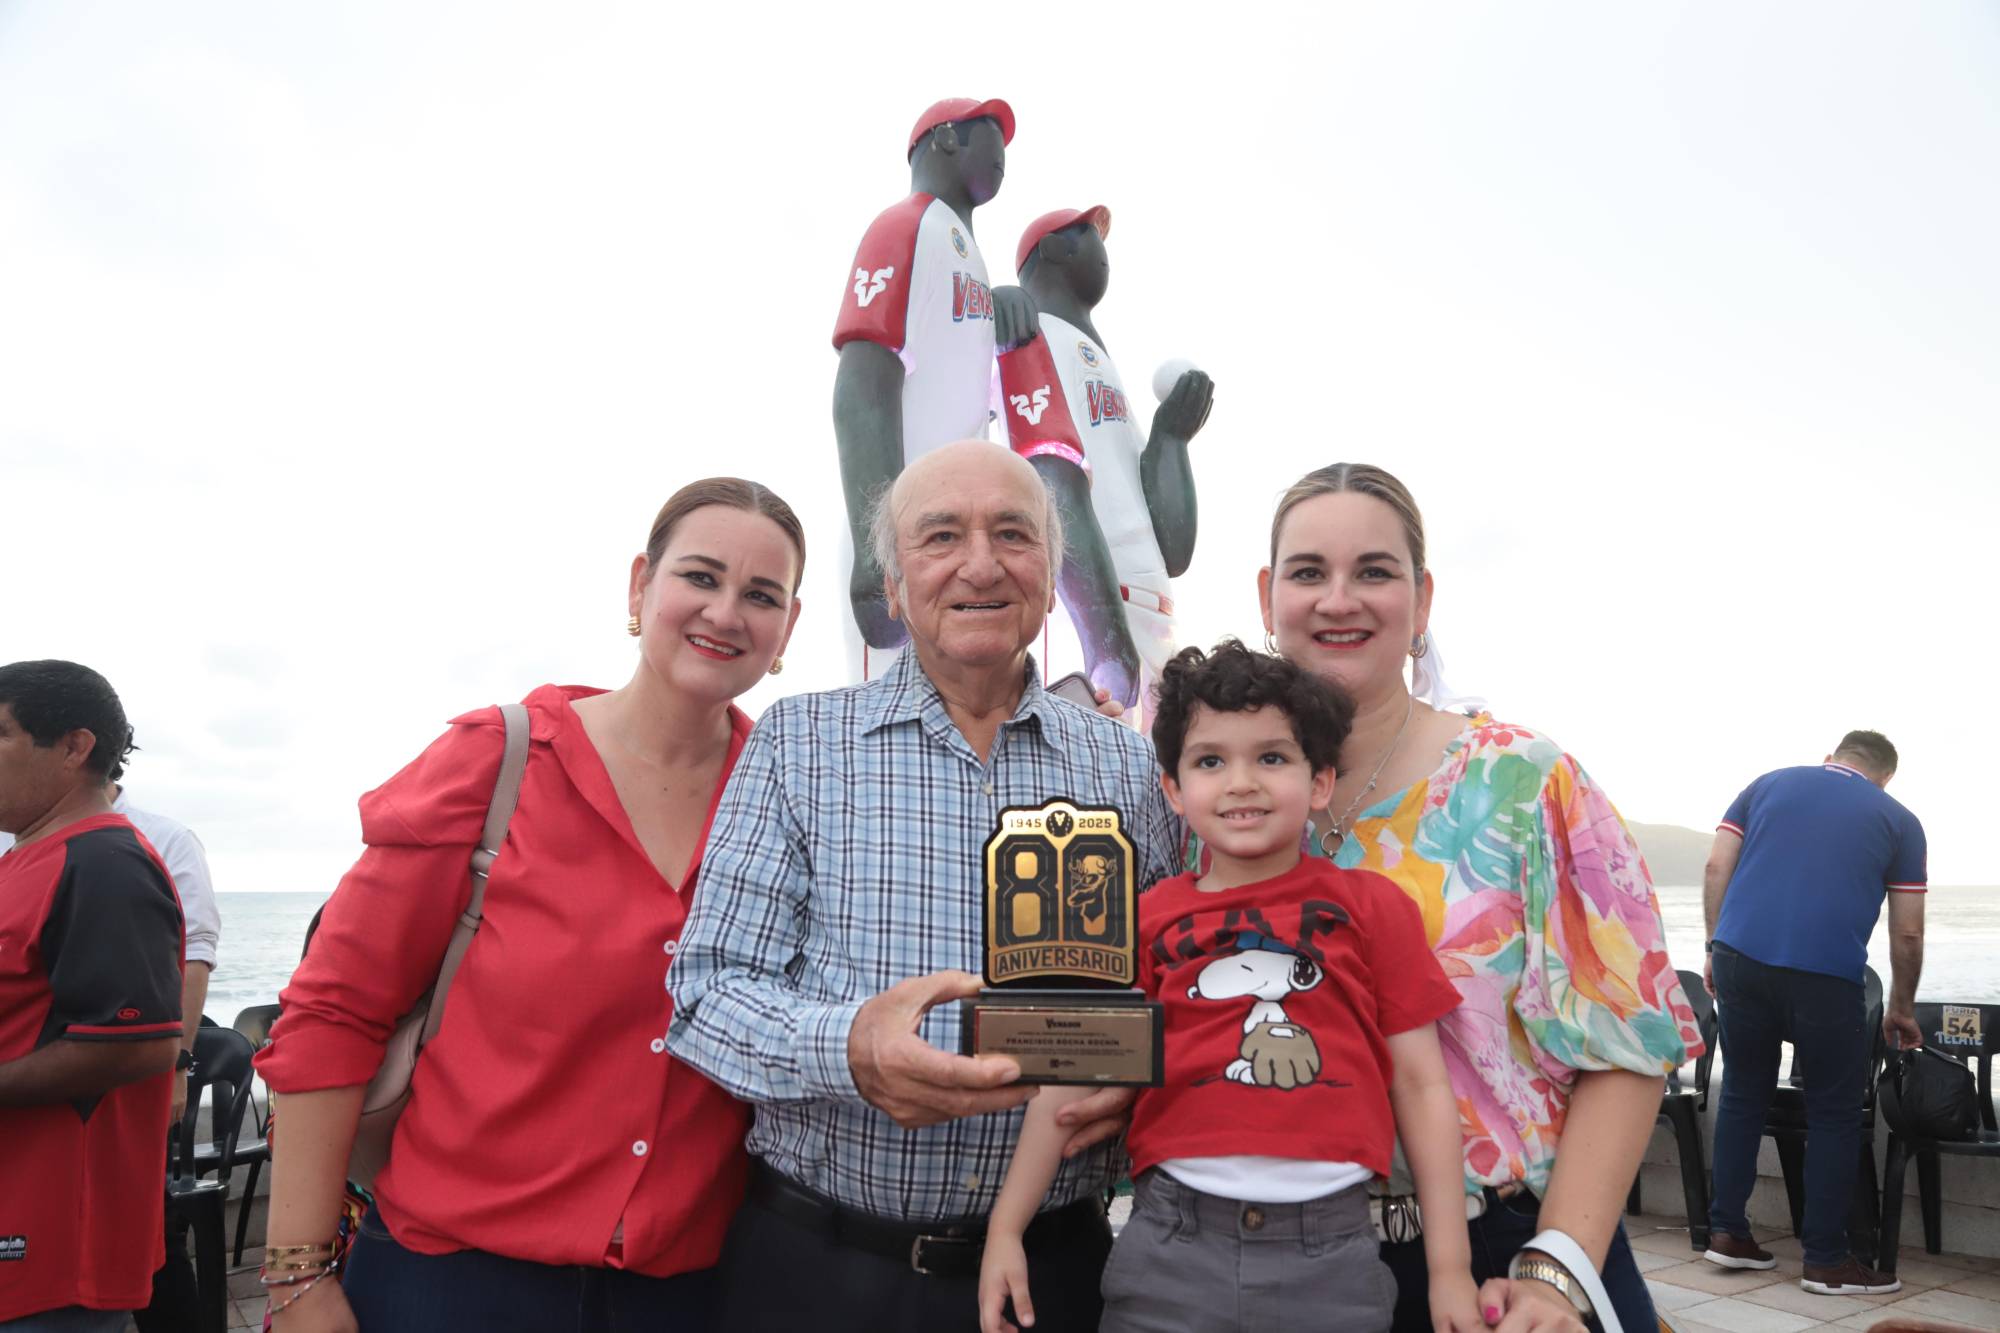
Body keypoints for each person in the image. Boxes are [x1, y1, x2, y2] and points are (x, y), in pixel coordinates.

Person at [252, 477, 806, 1333]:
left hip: (686, 1296)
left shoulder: (789, 793)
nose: (727, 611)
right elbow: (334, 1010)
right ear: (639, 587)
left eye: (760, 595)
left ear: (787, 631)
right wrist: (297, 1278)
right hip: (454, 1287)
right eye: (700, 577)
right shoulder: (500, 759)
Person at [667, 441, 1179, 1333]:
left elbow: (1186, 976)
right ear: (894, 585)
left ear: (1051, 575)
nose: (980, 563)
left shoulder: (1132, 767)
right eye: (940, 535)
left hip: (1056, 1279)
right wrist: (851, 1047)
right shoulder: (798, 745)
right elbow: (705, 998)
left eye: (1013, 534)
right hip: (820, 1275)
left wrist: (1143, 1068)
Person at [1250, 464, 1702, 1333]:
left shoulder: (1521, 781)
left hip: (1509, 1258)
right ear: (1270, 596)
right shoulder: (1228, 807)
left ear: (1421, 600)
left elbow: (1630, 1041)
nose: (1338, 598)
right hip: (1297, 1267)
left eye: (1373, 571)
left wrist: (1554, 1271)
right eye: (1308, 572)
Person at [978, 640, 1480, 1333]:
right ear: (1174, 789)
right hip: (1170, 1244)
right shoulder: (1141, 919)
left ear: (1322, 780)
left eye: (1271, 757)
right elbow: (1070, 1074)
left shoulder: (1373, 908)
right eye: (1211, 760)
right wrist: (1007, 1226)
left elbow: (1422, 1086)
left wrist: (1449, 1266)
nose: (1241, 781)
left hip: (1330, 1255)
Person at [1700, 730, 1925, 1297]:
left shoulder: (1766, 786)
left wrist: (1712, 947)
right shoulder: (1899, 819)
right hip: (1825, 976)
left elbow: (1714, 868)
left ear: (1832, 758)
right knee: (1834, 1112)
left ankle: (1727, 1232)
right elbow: (1907, 930)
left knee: (1743, 1092)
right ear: (1885, 776)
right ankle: (1825, 1261)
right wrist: (1899, 1006)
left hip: (1738, 958)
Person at [0, 660, 186, 1333]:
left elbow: (138, 1043)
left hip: (50, 1245)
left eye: (0, 733)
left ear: (75, 746)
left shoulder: (104, 862)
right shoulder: (26, 857)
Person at [832, 96, 1040, 675]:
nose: (1002, 154)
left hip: (969, 540)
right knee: (890, 734)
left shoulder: (963, 248)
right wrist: (882, 549)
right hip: (908, 538)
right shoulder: (906, 223)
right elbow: (862, 383)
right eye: (988, 133)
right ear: (947, 138)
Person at [998, 204, 1213, 714]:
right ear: (1050, 249)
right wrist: (1105, 640)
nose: (1101, 247)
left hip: (1154, 607)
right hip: (1089, 604)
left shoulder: (1100, 360)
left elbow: (1173, 549)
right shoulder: (1031, 333)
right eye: (1086, 233)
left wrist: (1171, 439)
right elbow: (1051, 475)